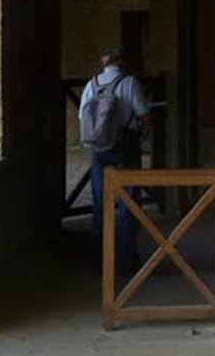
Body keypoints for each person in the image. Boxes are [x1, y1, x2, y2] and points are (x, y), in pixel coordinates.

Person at [79, 47, 149, 273]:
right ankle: (127, 261)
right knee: (128, 202)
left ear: (104, 63)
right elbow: (143, 113)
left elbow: (82, 116)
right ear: (122, 63)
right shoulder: (129, 83)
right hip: (125, 145)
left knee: (100, 204)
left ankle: (98, 261)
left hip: (99, 148)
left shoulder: (91, 84)